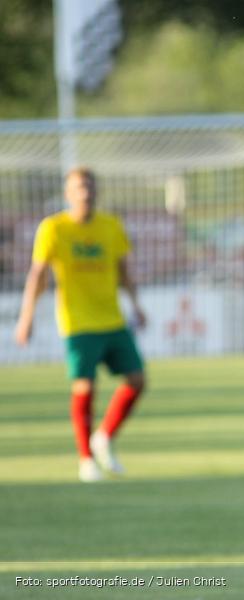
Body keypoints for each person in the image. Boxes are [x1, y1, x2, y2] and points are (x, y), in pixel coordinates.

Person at [14, 167, 147, 482]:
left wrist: (136, 305)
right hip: (77, 323)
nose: (84, 191)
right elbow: (38, 275)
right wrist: (26, 317)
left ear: (97, 191)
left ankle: (103, 437)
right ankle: (86, 460)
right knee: (85, 385)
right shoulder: (54, 228)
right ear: (68, 193)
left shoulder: (111, 226)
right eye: (78, 187)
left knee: (138, 380)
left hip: (112, 318)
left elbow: (123, 270)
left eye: (89, 185)